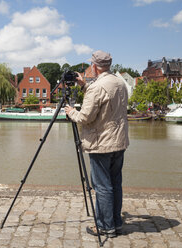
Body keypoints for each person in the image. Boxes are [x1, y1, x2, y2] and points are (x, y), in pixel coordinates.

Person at [64, 50, 129, 238]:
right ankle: (116, 223)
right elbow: (105, 104)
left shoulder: (97, 87)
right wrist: (85, 86)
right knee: (115, 183)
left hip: (102, 143)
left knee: (102, 186)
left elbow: (85, 117)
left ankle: (104, 226)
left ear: (94, 66)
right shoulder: (120, 82)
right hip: (119, 141)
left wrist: (70, 111)